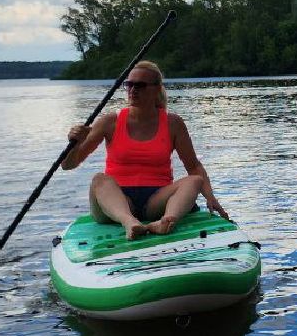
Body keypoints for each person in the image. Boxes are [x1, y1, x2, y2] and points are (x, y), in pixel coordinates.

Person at [62, 60, 228, 239]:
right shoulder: (109, 122)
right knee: (99, 180)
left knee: (195, 180)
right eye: (129, 84)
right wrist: (76, 143)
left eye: (140, 85)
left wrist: (211, 198)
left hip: (156, 201)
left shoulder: (173, 123)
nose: (133, 90)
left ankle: (166, 221)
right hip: (117, 201)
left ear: (157, 89)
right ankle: (129, 222)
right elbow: (68, 164)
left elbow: (193, 166)